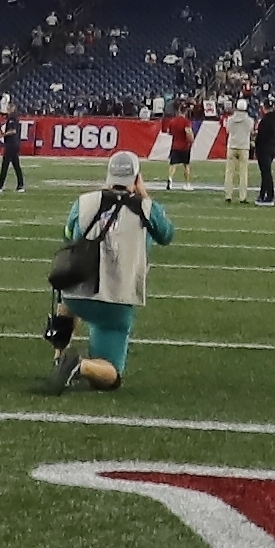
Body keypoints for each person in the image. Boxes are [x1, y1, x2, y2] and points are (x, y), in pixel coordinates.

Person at [46, 151, 173, 390]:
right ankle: (80, 366)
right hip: (116, 299)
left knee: (66, 304)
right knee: (111, 374)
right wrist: (144, 195)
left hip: (78, 293)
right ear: (137, 177)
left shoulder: (84, 202)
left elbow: (69, 236)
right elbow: (166, 235)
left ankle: (58, 355)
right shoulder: (147, 208)